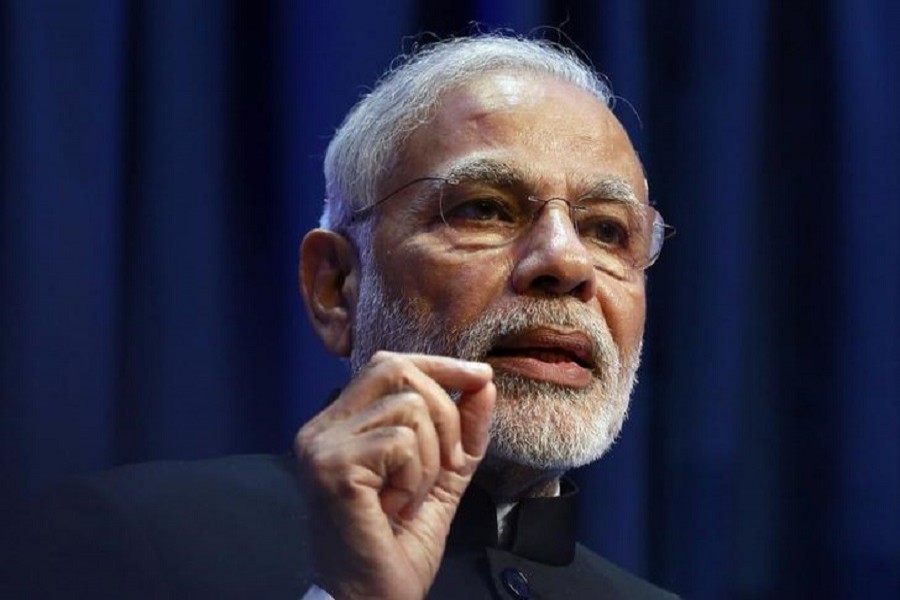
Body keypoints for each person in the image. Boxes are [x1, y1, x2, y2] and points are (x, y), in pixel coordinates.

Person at [8, 34, 677, 599]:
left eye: (607, 230)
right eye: (484, 208)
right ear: (335, 286)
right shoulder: (127, 543)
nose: (565, 261)